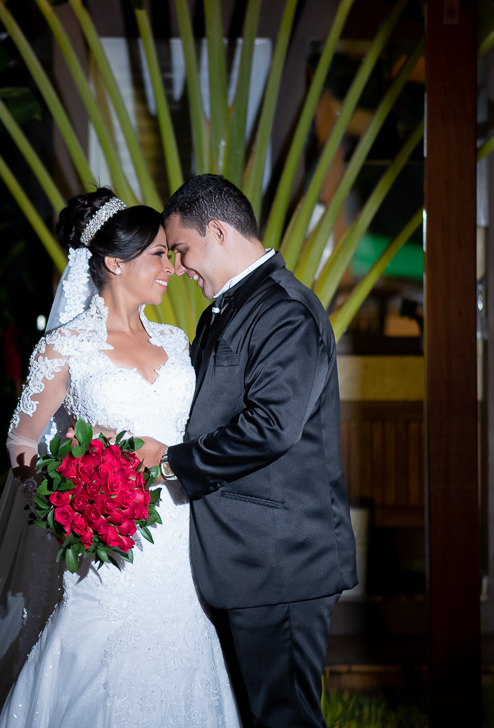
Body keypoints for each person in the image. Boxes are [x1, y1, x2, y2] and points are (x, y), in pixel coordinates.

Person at [0, 189, 242, 728]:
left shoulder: (176, 342)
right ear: (115, 263)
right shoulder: (65, 347)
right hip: (106, 545)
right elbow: (22, 442)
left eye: (170, 254)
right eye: (158, 255)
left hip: (180, 541)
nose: (172, 268)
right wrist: (64, 497)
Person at [132, 174, 358, 728]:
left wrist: (171, 462)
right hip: (242, 560)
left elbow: (272, 428)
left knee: (284, 719)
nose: (178, 267)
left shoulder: (285, 310)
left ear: (217, 231)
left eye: (181, 249)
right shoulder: (225, 309)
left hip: (280, 561)